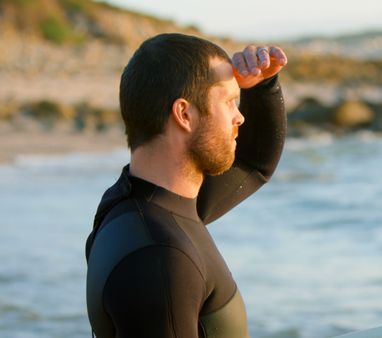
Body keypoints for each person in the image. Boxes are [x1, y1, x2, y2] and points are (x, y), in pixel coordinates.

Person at [85, 33, 287, 338]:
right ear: (184, 114)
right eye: (229, 102)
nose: (240, 117)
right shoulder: (160, 257)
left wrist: (261, 85)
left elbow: (253, 165)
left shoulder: (134, 206)